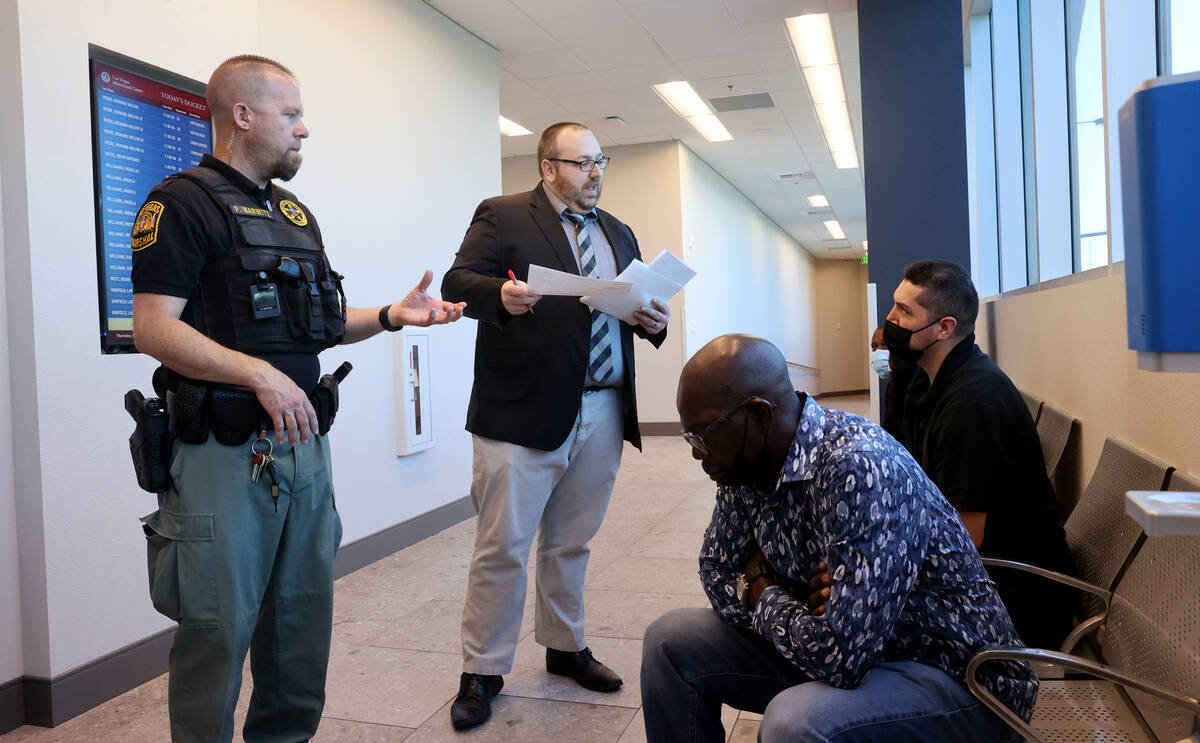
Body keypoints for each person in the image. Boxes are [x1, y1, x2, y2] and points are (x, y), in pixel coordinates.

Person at [131, 55, 465, 742]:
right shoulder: (180, 203)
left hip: (303, 451)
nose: (304, 129)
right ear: (242, 116)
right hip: (223, 455)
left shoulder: (293, 214)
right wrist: (257, 373)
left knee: (299, 624)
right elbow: (153, 327)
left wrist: (394, 315)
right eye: (291, 115)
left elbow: (318, 326)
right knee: (217, 628)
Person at [640, 334, 1037, 743]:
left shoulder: (859, 467)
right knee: (669, 641)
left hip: (959, 678)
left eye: (702, 436)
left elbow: (841, 659)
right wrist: (803, 611)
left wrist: (761, 588)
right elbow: (715, 569)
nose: (696, 453)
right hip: (859, 654)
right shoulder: (744, 467)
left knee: (792, 722)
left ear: (759, 416)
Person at [440, 122, 669, 731]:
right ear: (547, 167)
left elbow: (634, 311)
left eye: (602, 162)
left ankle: (565, 648)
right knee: (503, 547)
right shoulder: (505, 215)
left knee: (572, 542)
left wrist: (652, 319)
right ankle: (482, 670)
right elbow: (458, 283)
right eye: (582, 163)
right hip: (521, 412)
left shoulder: (617, 231)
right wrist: (502, 297)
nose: (596, 173)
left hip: (602, 407)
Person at [884, 259, 1075, 650]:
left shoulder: (972, 403)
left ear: (944, 328)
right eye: (894, 305)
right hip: (991, 580)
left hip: (1016, 600)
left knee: (853, 620)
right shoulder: (940, 380)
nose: (890, 319)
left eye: (904, 311)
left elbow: (965, 540)